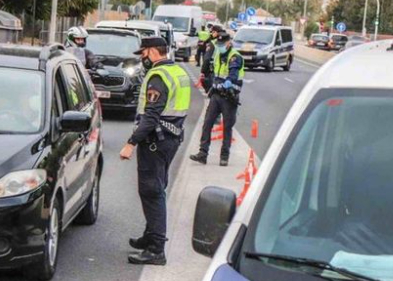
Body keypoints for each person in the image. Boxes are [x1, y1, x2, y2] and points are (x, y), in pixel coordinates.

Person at [119, 37, 191, 265]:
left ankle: (156, 249)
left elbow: (151, 116)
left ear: (151, 51)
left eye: (143, 53)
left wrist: (131, 143)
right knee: (157, 188)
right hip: (171, 138)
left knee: (152, 191)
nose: (142, 57)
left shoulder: (159, 76)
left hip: (155, 141)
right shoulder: (177, 71)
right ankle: (150, 237)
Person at [190, 32, 244, 166]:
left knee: (227, 127)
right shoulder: (219, 54)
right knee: (207, 123)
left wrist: (228, 82)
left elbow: (233, 73)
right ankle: (203, 153)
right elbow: (214, 71)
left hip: (229, 96)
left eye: (222, 44)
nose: (220, 46)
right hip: (216, 95)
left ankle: (224, 156)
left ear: (228, 43)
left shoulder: (235, 57)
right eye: (218, 44)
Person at [200, 25, 222, 93]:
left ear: (216, 32)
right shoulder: (227, 43)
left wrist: (203, 71)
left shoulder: (213, 43)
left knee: (211, 90)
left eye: (212, 32)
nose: (211, 34)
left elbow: (207, 59)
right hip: (223, 72)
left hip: (212, 70)